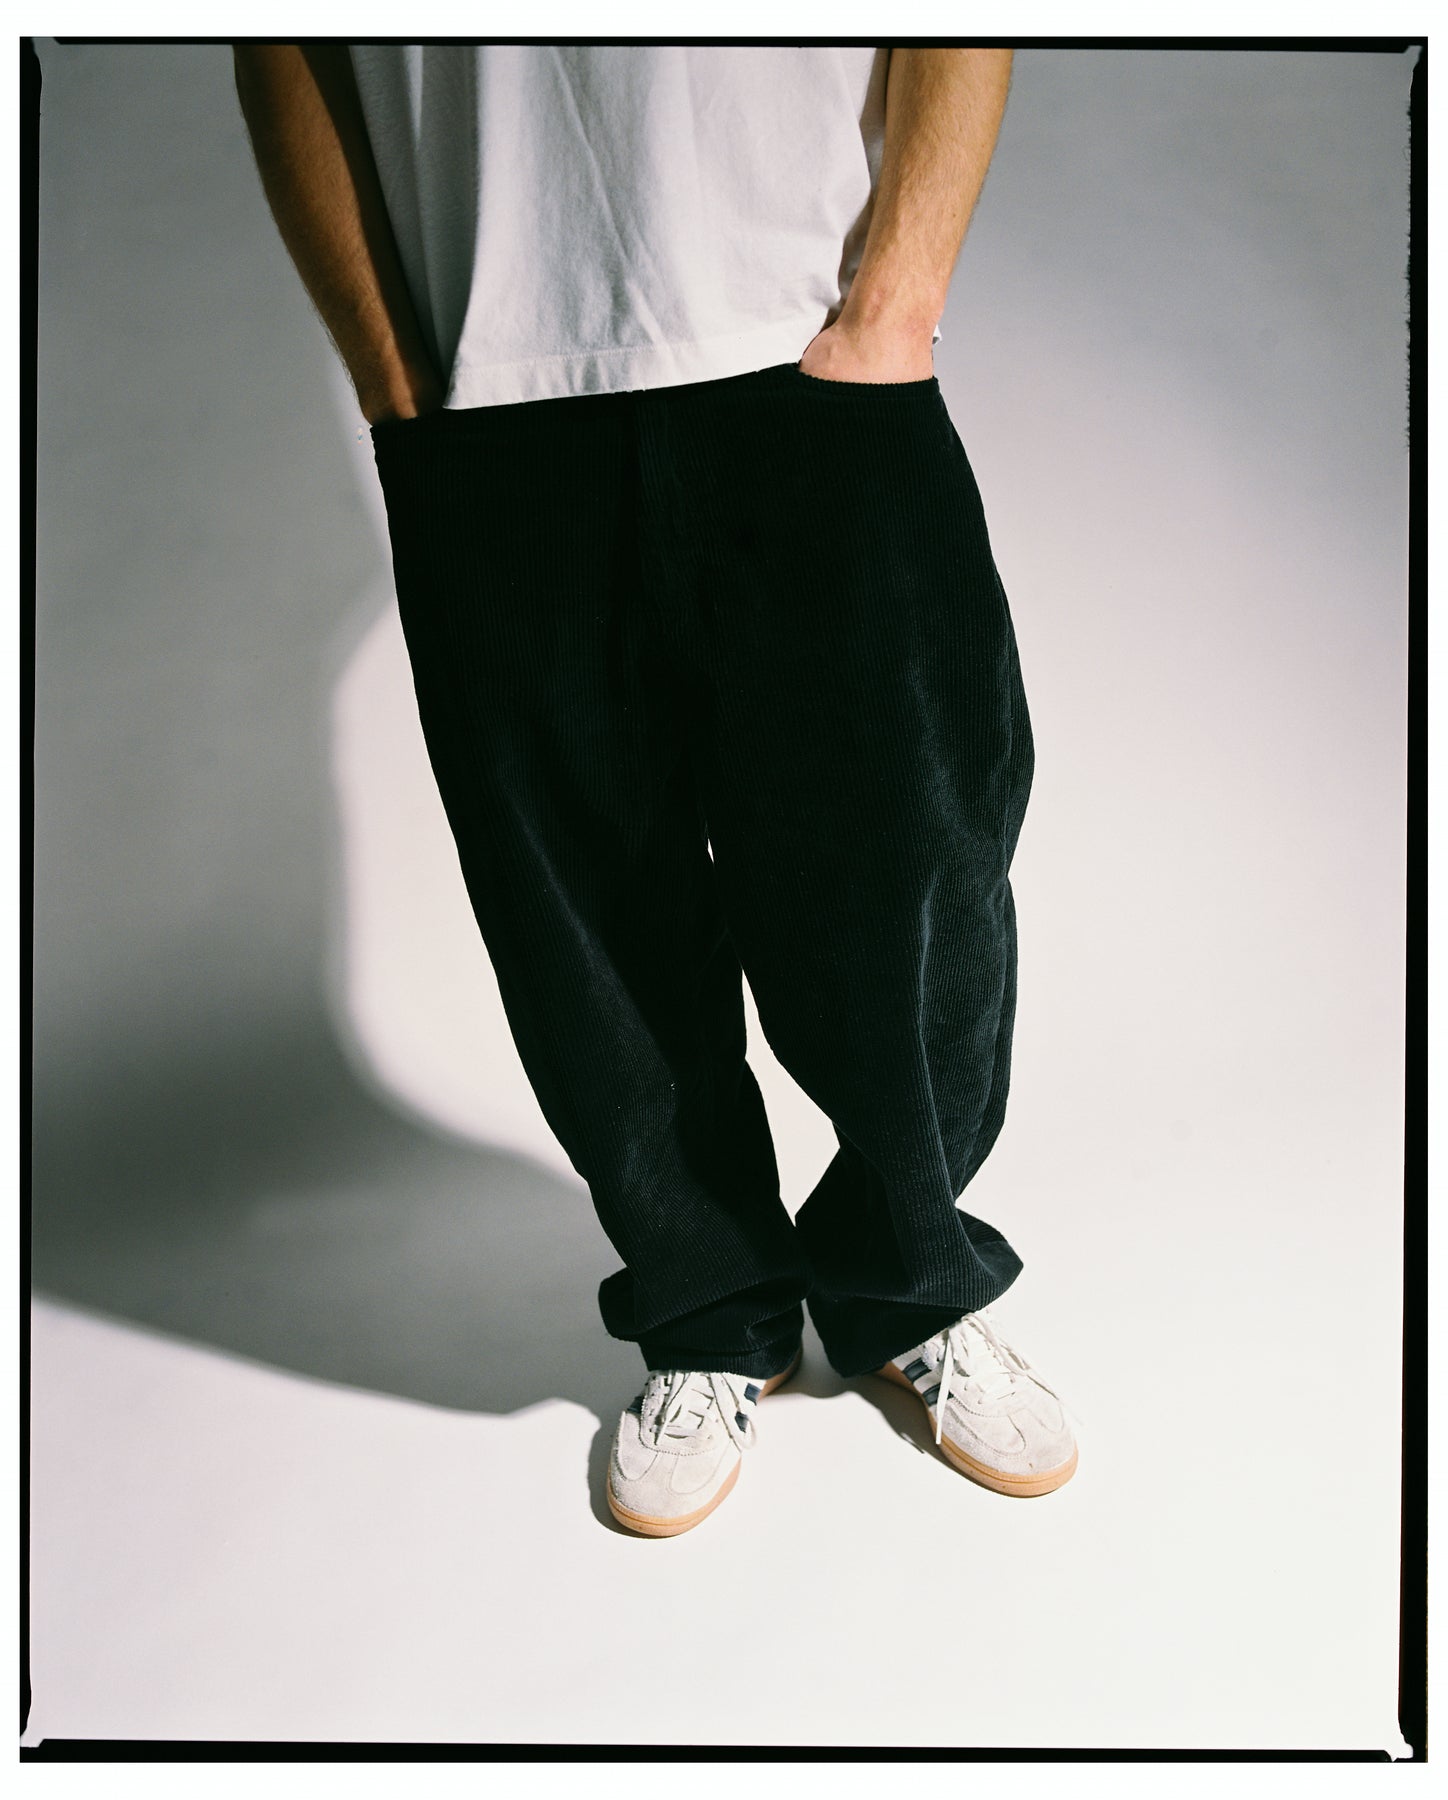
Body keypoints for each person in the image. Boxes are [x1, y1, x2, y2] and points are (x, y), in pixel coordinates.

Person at [233, 41, 1078, 1537]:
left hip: (803, 348)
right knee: (580, 911)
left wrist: (896, 305)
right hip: (487, 398)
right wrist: (392, 376)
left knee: (917, 865)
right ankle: (711, 1311)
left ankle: (909, 1283)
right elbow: (282, 41)